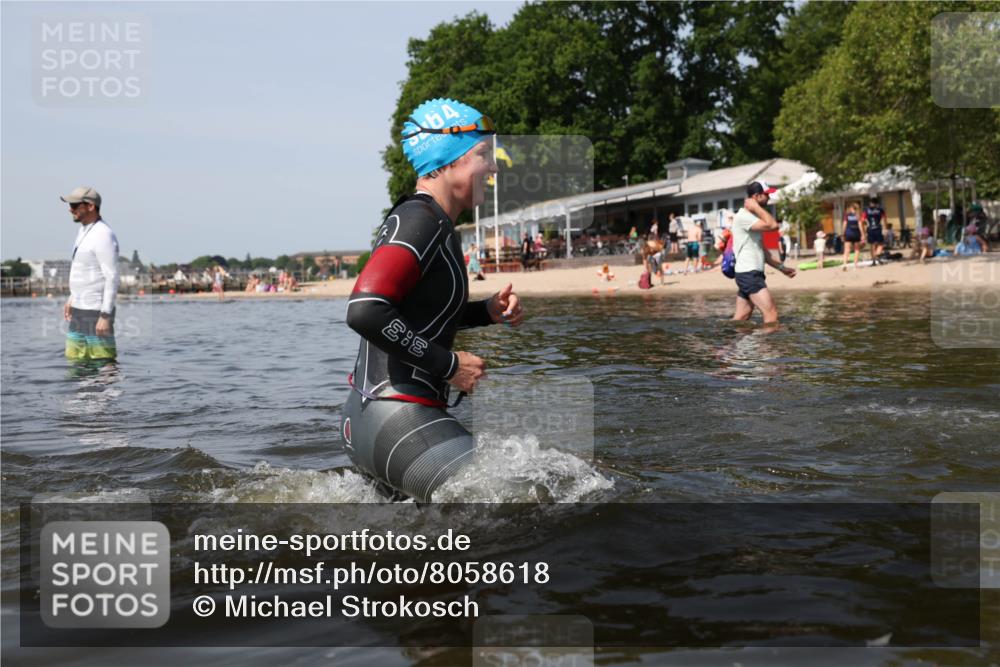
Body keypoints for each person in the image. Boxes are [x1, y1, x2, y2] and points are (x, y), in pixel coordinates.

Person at [343, 98, 524, 502]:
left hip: (375, 419)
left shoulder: (431, 221)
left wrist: (485, 312)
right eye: (483, 154)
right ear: (448, 159)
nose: (493, 168)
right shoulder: (420, 222)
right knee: (527, 499)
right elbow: (365, 311)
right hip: (400, 421)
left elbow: (416, 312)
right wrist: (450, 366)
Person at [60, 186, 119, 363]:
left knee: (103, 363)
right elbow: (83, 270)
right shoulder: (83, 231)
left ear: (91, 206)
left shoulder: (103, 235)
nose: (70, 209)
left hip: (96, 311)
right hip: (78, 309)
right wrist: (72, 297)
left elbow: (112, 277)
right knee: (75, 363)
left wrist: (105, 315)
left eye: (74, 205)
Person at [730, 181, 796, 326]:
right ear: (756, 196)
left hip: (750, 273)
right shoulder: (744, 217)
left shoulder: (753, 219)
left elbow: (764, 253)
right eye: (766, 195)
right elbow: (773, 225)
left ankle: (728, 339)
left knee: (741, 317)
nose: (769, 198)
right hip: (749, 274)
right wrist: (756, 207)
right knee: (771, 314)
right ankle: (766, 342)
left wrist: (782, 268)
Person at [862, 197, 887, 265]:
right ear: (877, 203)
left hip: (870, 229)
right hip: (878, 228)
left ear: (870, 203)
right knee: (881, 243)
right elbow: (884, 219)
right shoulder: (880, 210)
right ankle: (877, 254)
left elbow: (863, 220)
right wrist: (885, 228)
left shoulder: (866, 210)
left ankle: (873, 261)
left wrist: (864, 229)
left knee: (872, 245)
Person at [842, 204, 863, 271]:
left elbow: (844, 224)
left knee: (847, 250)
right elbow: (860, 225)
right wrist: (862, 234)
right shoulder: (858, 216)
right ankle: (855, 266)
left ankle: (845, 264)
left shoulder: (847, 215)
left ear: (851, 208)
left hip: (848, 233)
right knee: (857, 250)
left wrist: (843, 233)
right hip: (856, 234)